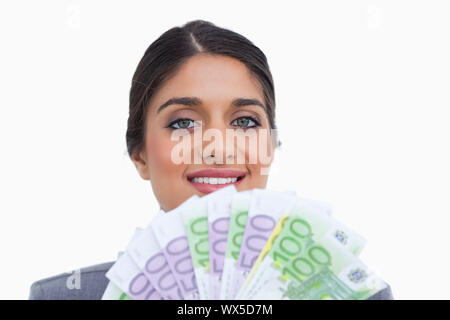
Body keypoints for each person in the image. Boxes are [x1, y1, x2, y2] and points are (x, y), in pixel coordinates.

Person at [29, 19, 393, 300]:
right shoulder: (64, 295)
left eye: (245, 121)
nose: (217, 146)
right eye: (183, 122)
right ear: (140, 154)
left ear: (270, 146)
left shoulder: (359, 292)